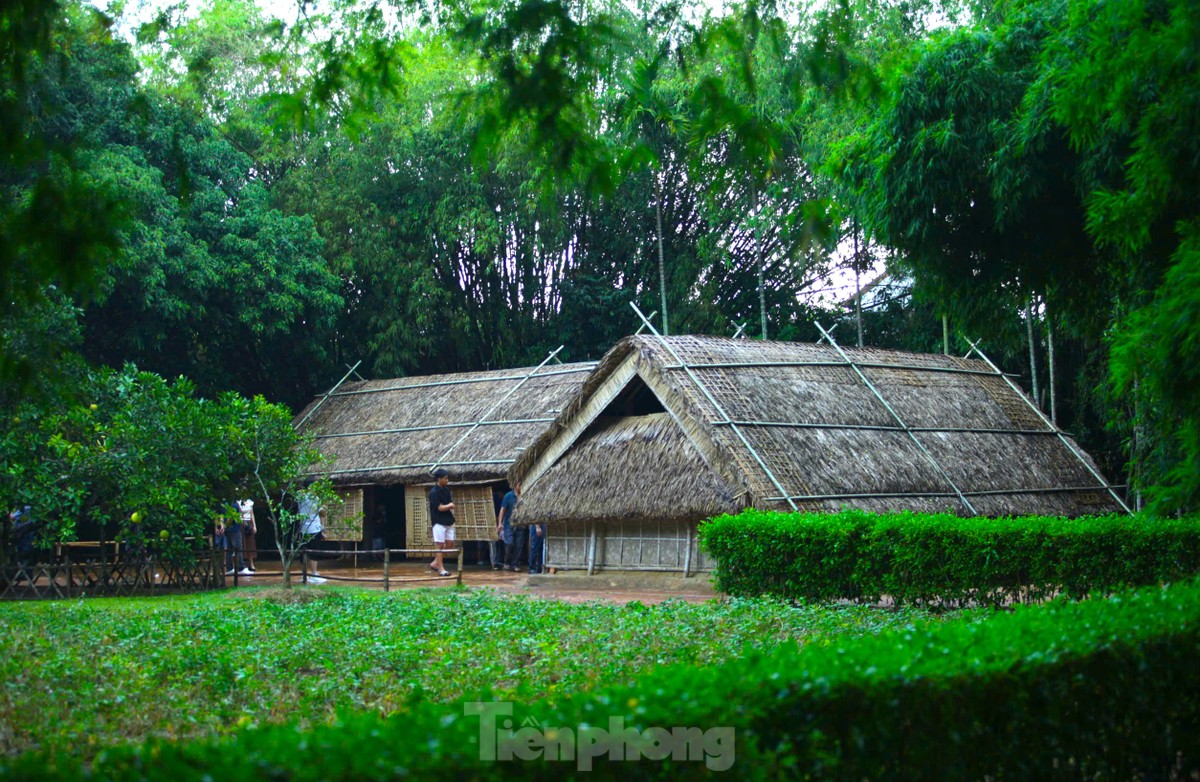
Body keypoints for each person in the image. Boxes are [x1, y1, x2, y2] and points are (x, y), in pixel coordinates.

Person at [428, 468, 455, 577]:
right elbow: (440, 508)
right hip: (438, 521)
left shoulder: (446, 490)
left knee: (450, 543)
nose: (447, 480)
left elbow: (449, 502)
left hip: (448, 520)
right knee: (439, 545)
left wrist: (449, 505)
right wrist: (450, 506)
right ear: (439, 479)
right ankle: (441, 569)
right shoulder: (434, 492)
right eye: (445, 478)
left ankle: (435, 562)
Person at [298, 490, 327, 583]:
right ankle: (314, 573)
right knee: (314, 553)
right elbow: (322, 513)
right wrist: (323, 528)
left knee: (304, 552)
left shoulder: (300, 498)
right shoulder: (315, 499)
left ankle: (304, 574)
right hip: (314, 529)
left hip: (303, 529)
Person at [499, 484, 525, 573]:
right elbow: (502, 510)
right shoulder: (508, 496)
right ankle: (506, 562)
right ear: (514, 485)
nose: (521, 486)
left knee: (519, 545)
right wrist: (499, 523)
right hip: (508, 524)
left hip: (520, 524)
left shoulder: (524, 495)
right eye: (519, 484)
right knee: (509, 543)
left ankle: (515, 564)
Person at [224, 501, 247, 576]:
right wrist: (225, 526)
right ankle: (241, 567)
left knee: (230, 549)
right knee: (237, 547)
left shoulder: (230, 502)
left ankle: (229, 567)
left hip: (231, 529)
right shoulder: (232, 503)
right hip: (234, 529)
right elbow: (231, 517)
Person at [237, 499, 257, 573]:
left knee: (250, 544)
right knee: (242, 543)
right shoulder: (238, 502)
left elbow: (252, 514)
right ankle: (240, 564)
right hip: (241, 523)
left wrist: (254, 525)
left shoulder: (250, 502)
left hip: (249, 523)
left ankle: (251, 564)